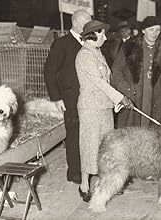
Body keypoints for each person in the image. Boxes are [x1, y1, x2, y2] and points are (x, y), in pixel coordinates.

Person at [75, 20, 134, 202]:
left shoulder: (97, 52)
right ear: (93, 35)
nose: (106, 38)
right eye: (102, 35)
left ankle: (105, 184)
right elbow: (99, 83)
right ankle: (84, 185)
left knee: (105, 147)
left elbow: (107, 81)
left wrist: (115, 101)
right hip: (91, 108)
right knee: (89, 145)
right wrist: (120, 98)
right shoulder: (85, 55)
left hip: (104, 106)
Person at [44, 10, 91, 184]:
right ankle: (74, 172)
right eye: (87, 23)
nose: (89, 26)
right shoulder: (61, 44)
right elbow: (49, 72)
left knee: (87, 134)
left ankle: (87, 168)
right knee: (74, 135)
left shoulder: (88, 42)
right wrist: (56, 98)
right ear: (77, 23)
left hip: (87, 98)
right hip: (71, 99)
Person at [112, 16, 161, 128]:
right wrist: (126, 90)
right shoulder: (129, 46)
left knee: (151, 133)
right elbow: (117, 70)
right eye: (151, 30)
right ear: (143, 30)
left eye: (158, 30)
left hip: (154, 96)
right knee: (131, 132)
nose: (155, 33)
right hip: (133, 95)